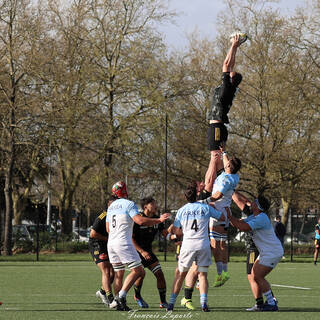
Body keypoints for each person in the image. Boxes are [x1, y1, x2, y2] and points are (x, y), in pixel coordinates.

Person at [106, 181, 170, 311]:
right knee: (138, 271)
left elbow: (108, 229)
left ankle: (118, 303)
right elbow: (139, 221)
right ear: (125, 191)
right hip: (123, 242)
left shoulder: (111, 207)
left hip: (111, 243)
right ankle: (121, 297)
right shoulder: (129, 204)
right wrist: (160, 220)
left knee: (119, 273)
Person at [166, 181, 224, 312]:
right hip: (203, 244)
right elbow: (221, 217)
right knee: (202, 275)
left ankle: (170, 304)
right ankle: (204, 304)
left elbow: (175, 230)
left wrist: (183, 232)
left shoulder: (181, 210)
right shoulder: (205, 207)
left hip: (188, 245)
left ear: (186, 198)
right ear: (197, 197)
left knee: (180, 275)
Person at [227, 194, 283, 311]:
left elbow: (243, 227)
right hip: (266, 252)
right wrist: (228, 216)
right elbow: (238, 223)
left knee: (258, 276)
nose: (250, 203)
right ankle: (263, 303)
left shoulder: (261, 218)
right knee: (254, 275)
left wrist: (228, 215)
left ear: (257, 206)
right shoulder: (255, 216)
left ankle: (272, 303)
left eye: (254, 202)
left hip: (272, 252)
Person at [206, 33, 246, 183]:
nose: (228, 72)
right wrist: (236, 48)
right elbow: (230, 66)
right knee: (215, 159)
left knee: (215, 157)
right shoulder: (230, 87)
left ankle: (206, 190)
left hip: (216, 126)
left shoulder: (227, 88)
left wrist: (234, 45)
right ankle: (210, 187)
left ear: (231, 80)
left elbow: (226, 64)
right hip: (218, 126)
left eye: (230, 74)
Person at [201, 149, 241, 287]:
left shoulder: (225, 179)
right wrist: (224, 153)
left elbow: (218, 195)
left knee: (215, 244)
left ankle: (220, 273)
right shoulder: (234, 176)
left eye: (228, 163)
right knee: (223, 244)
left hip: (217, 211)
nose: (226, 163)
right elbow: (227, 163)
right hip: (226, 211)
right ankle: (225, 272)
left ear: (229, 166)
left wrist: (205, 201)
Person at [132, 197, 172, 309]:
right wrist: (141, 251)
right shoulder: (138, 219)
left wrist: (174, 228)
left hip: (148, 252)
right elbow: (131, 239)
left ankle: (163, 302)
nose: (155, 206)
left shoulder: (156, 219)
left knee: (160, 274)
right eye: (153, 204)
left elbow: (165, 234)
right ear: (145, 207)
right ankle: (137, 296)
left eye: (155, 203)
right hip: (136, 252)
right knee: (140, 275)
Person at [89, 195, 117, 307]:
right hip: (97, 245)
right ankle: (111, 300)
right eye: (114, 204)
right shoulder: (103, 216)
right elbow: (92, 233)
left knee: (112, 273)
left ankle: (102, 292)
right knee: (106, 271)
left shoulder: (116, 215)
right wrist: (108, 239)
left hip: (108, 244)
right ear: (109, 204)